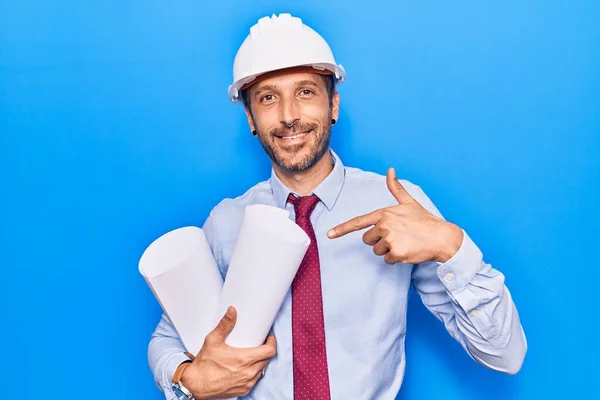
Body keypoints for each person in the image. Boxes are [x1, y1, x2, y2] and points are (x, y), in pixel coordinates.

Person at [147, 13, 527, 400]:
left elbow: (505, 355)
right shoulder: (227, 221)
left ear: (334, 105)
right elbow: (167, 337)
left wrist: (451, 246)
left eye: (306, 92)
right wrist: (186, 381)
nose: (289, 115)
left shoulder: (395, 204)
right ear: (250, 118)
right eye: (268, 98)